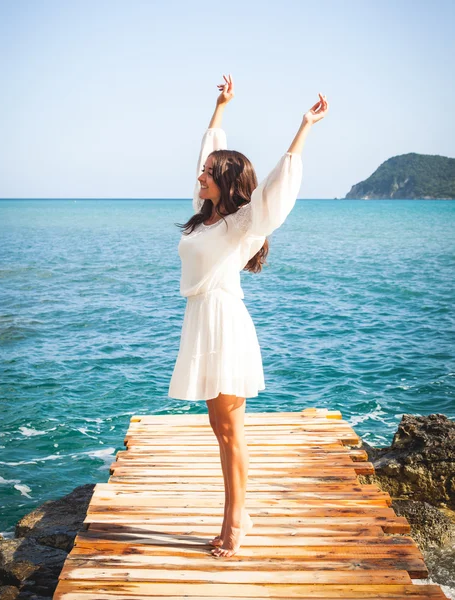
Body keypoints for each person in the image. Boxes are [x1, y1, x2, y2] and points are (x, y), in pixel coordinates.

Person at [168, 74, 329, 558]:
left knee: (230, 429)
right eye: (202, 170)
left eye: (208, 171)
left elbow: (276, 191)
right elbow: (208, 150)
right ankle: (238, 514)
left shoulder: (242, 224)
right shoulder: (205, 213)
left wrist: (304, 128)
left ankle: (236, 521)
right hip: (202, 320)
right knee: (220, 429)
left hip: (225, 323)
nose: (200, 174)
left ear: (224, 180)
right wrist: (220, 107)